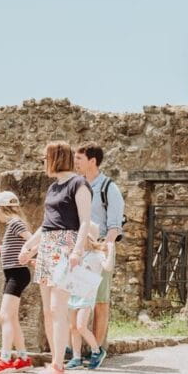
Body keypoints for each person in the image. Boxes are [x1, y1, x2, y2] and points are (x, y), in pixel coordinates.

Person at [19, 141, 93, 374]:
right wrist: (28, 245)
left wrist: (77, 250)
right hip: (49, 246)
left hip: (66, 246)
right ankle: (55, 361)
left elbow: (84, 221)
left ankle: (59, 367)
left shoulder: (78, 184)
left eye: (45, 158)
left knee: (57, 308)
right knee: (48, 312)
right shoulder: (52, 188)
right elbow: (47, 224)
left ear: (56, 157)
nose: (42, 162)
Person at [74, 143, 125, 353]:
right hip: (78, 250)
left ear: (92, 161)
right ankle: (77, 348)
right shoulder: (77, 185)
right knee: (76, 299)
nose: (75, 162)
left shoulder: (108, 188)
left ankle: (97, 349)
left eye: (79, 158)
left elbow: (114, 226)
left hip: (98, 249)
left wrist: (103, 249)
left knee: (100, 301)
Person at [0, 192, 34, 374]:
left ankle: (5, 359)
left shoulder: (15, 223)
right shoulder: (13, 224)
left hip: (17, 274)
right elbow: (15, 246)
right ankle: (23, 358)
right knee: (11, 317)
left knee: (4, 316)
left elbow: (32, 240)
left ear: (0, 209)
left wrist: (30, 255)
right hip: (14, 273)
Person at [65, 223, 114, 371]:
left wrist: (111, 251)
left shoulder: (97, 255)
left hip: (87, 295)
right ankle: (76, 357)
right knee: (73, 327)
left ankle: (96, 351)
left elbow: (108, 268)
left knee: (81, 326)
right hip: (74, 293)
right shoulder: (76, 254)